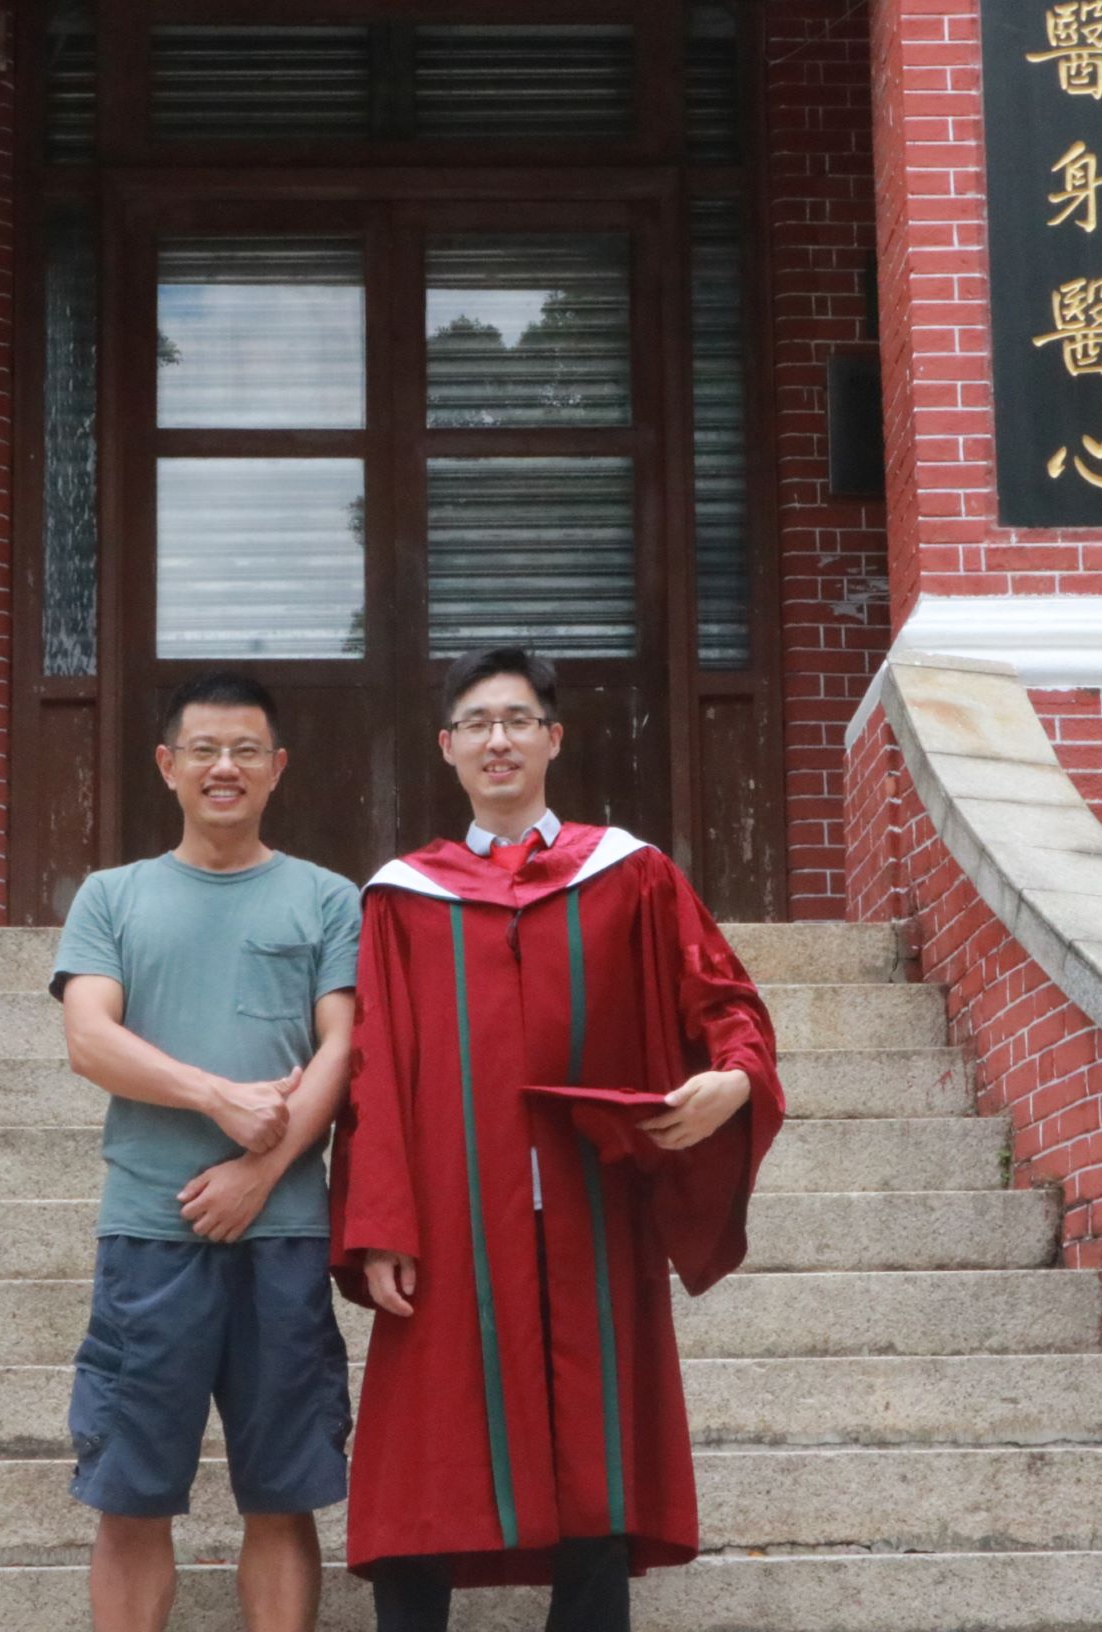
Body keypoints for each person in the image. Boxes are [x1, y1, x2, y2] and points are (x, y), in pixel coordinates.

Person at [329, 646, 785, 1632]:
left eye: (518, 721)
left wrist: (735, 1078)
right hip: (451, 1212)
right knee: (429, 1447)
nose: (498, 740)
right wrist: (378, 1223)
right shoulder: (403, 897)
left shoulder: (630, 874)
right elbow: (371, 1070)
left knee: (596, 1447)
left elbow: (724, 1000)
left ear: (553, 739)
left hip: (591, 1202)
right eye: (477, 723)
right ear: (447, 747)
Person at [54, 671, 360, 1632]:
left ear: (277, 767)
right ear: (166, 765)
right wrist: (215, 1097)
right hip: (149, 1237)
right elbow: (88, 1039)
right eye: (203, 749)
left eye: (245, 751)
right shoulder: (111, 897)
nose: (224, 767)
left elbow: (343, 1050)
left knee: (283, 1492)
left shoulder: (327, 898)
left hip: (284, 1236)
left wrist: (258, 1173)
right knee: (130, 1494)